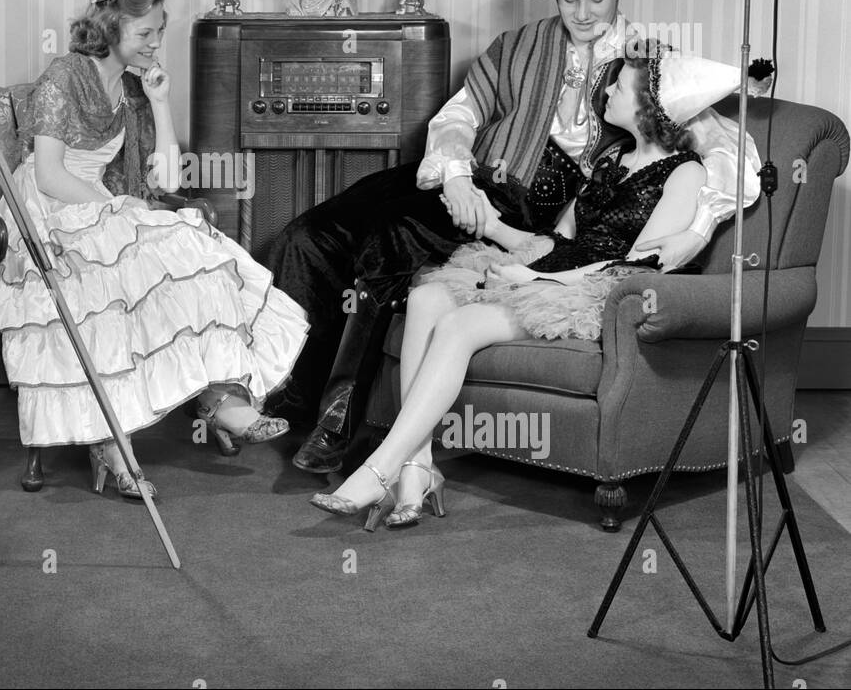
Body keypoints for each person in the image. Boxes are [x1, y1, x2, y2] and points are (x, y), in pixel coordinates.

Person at [270, 0, 760, 474]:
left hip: (532, 206)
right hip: (465, 176)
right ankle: (283, 397)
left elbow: (729, 149)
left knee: (389, 246)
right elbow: (460, 114)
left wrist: (698, 230)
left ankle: (341, 419)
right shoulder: (518, 45)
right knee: (311, 233)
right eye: (570, 0)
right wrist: (455, 175)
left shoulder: (649, 63)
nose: (583, 13)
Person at [309, 50, 741, 527]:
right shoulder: (612, 158)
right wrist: (492, 230)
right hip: (550, 269)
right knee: (426, 296)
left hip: (592, 290)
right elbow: (558, 239)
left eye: (623, 85)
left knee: (457, 325)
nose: (611, 90)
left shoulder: (687, 173)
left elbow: (637, 265)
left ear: (651, 105)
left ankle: (381, 468)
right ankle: (418, 468)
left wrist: (537, 279)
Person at [0, 0, 309, 497]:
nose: (156, 43)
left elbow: (163, 178)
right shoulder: (63, 76)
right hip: (44, 211)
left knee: (189, 244)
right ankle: (121, 442)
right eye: (146, 33)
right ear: (111, 29)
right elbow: (47, 173)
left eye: (160, 31)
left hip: (96, 208)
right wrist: (116, 207)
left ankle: (217, 398)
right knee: (111, 278)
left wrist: (160, 102)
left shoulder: (129, 89)